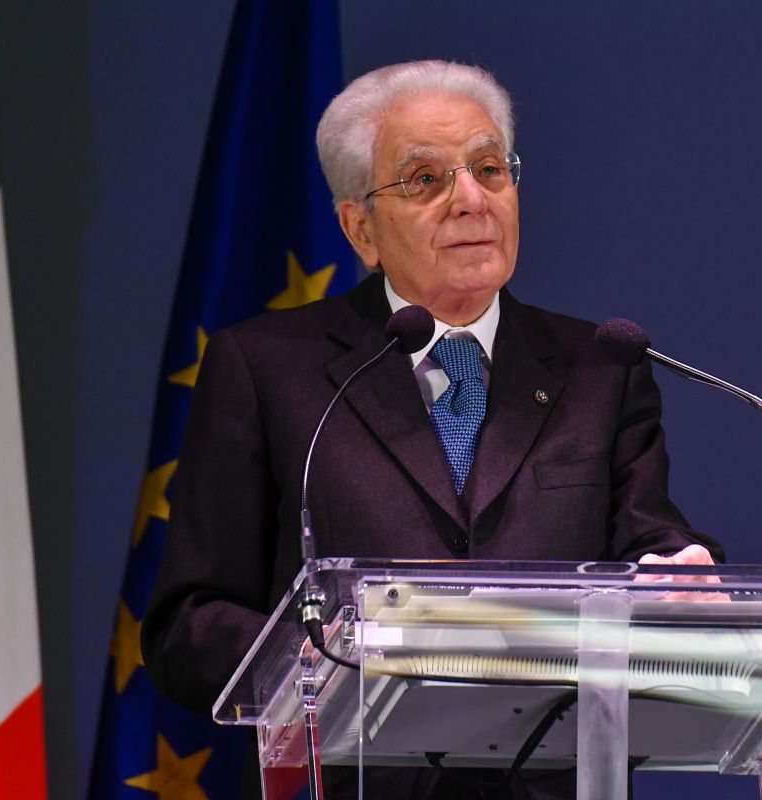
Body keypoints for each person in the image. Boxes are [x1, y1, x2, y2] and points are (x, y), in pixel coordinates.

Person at [142, 59, 723, 799]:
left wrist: (677, 577)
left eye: (490, 169)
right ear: (360, 228)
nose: (471, 200)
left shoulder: (602, 368)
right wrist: (325, 659)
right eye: (425, 180)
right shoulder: (267, 369)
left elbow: (651, 546)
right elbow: (187, 623)